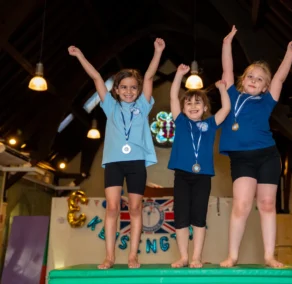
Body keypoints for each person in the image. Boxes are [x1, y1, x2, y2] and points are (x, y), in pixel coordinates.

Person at [68, 38, 165, 269]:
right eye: (124, 87)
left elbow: (150, 77)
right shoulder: (109, 106)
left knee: (134, 208)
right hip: (114, 162)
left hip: (136, 163)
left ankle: (133, 255)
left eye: (133, 87)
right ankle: (109, 256)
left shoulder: (143, 105)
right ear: (117, 90)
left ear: (138, 90)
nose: (129, 91)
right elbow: (96, 78)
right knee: (112, 208)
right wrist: (80, 55)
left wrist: (158, 52)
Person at [218, 25, 292, 268]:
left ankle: (269, 256)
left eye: (260, 79)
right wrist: (227, 43)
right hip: (242, 159)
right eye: (250, 76)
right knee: (242, 204)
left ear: (265, 86)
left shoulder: (267, 100)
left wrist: (288, 55)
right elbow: (227, 67)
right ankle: (232, 255)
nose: (254, 80)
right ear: (242, 80)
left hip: (267, 155)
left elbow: (280, 77)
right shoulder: (232, 94)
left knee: (267, 204)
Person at [168, 64, 230, 268]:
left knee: (199, 216)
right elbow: (172, 97)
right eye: (188, 103)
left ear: (205, 108)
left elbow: (227, 109)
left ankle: (196, 257)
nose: (193, 106)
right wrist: (178, 76)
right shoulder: (180, 122)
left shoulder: (211, 124)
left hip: (203, 176)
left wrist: (222, 89)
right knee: (181, 216)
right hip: (182, 175)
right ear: (183, 108)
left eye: (197, 103)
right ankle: (184, 256)